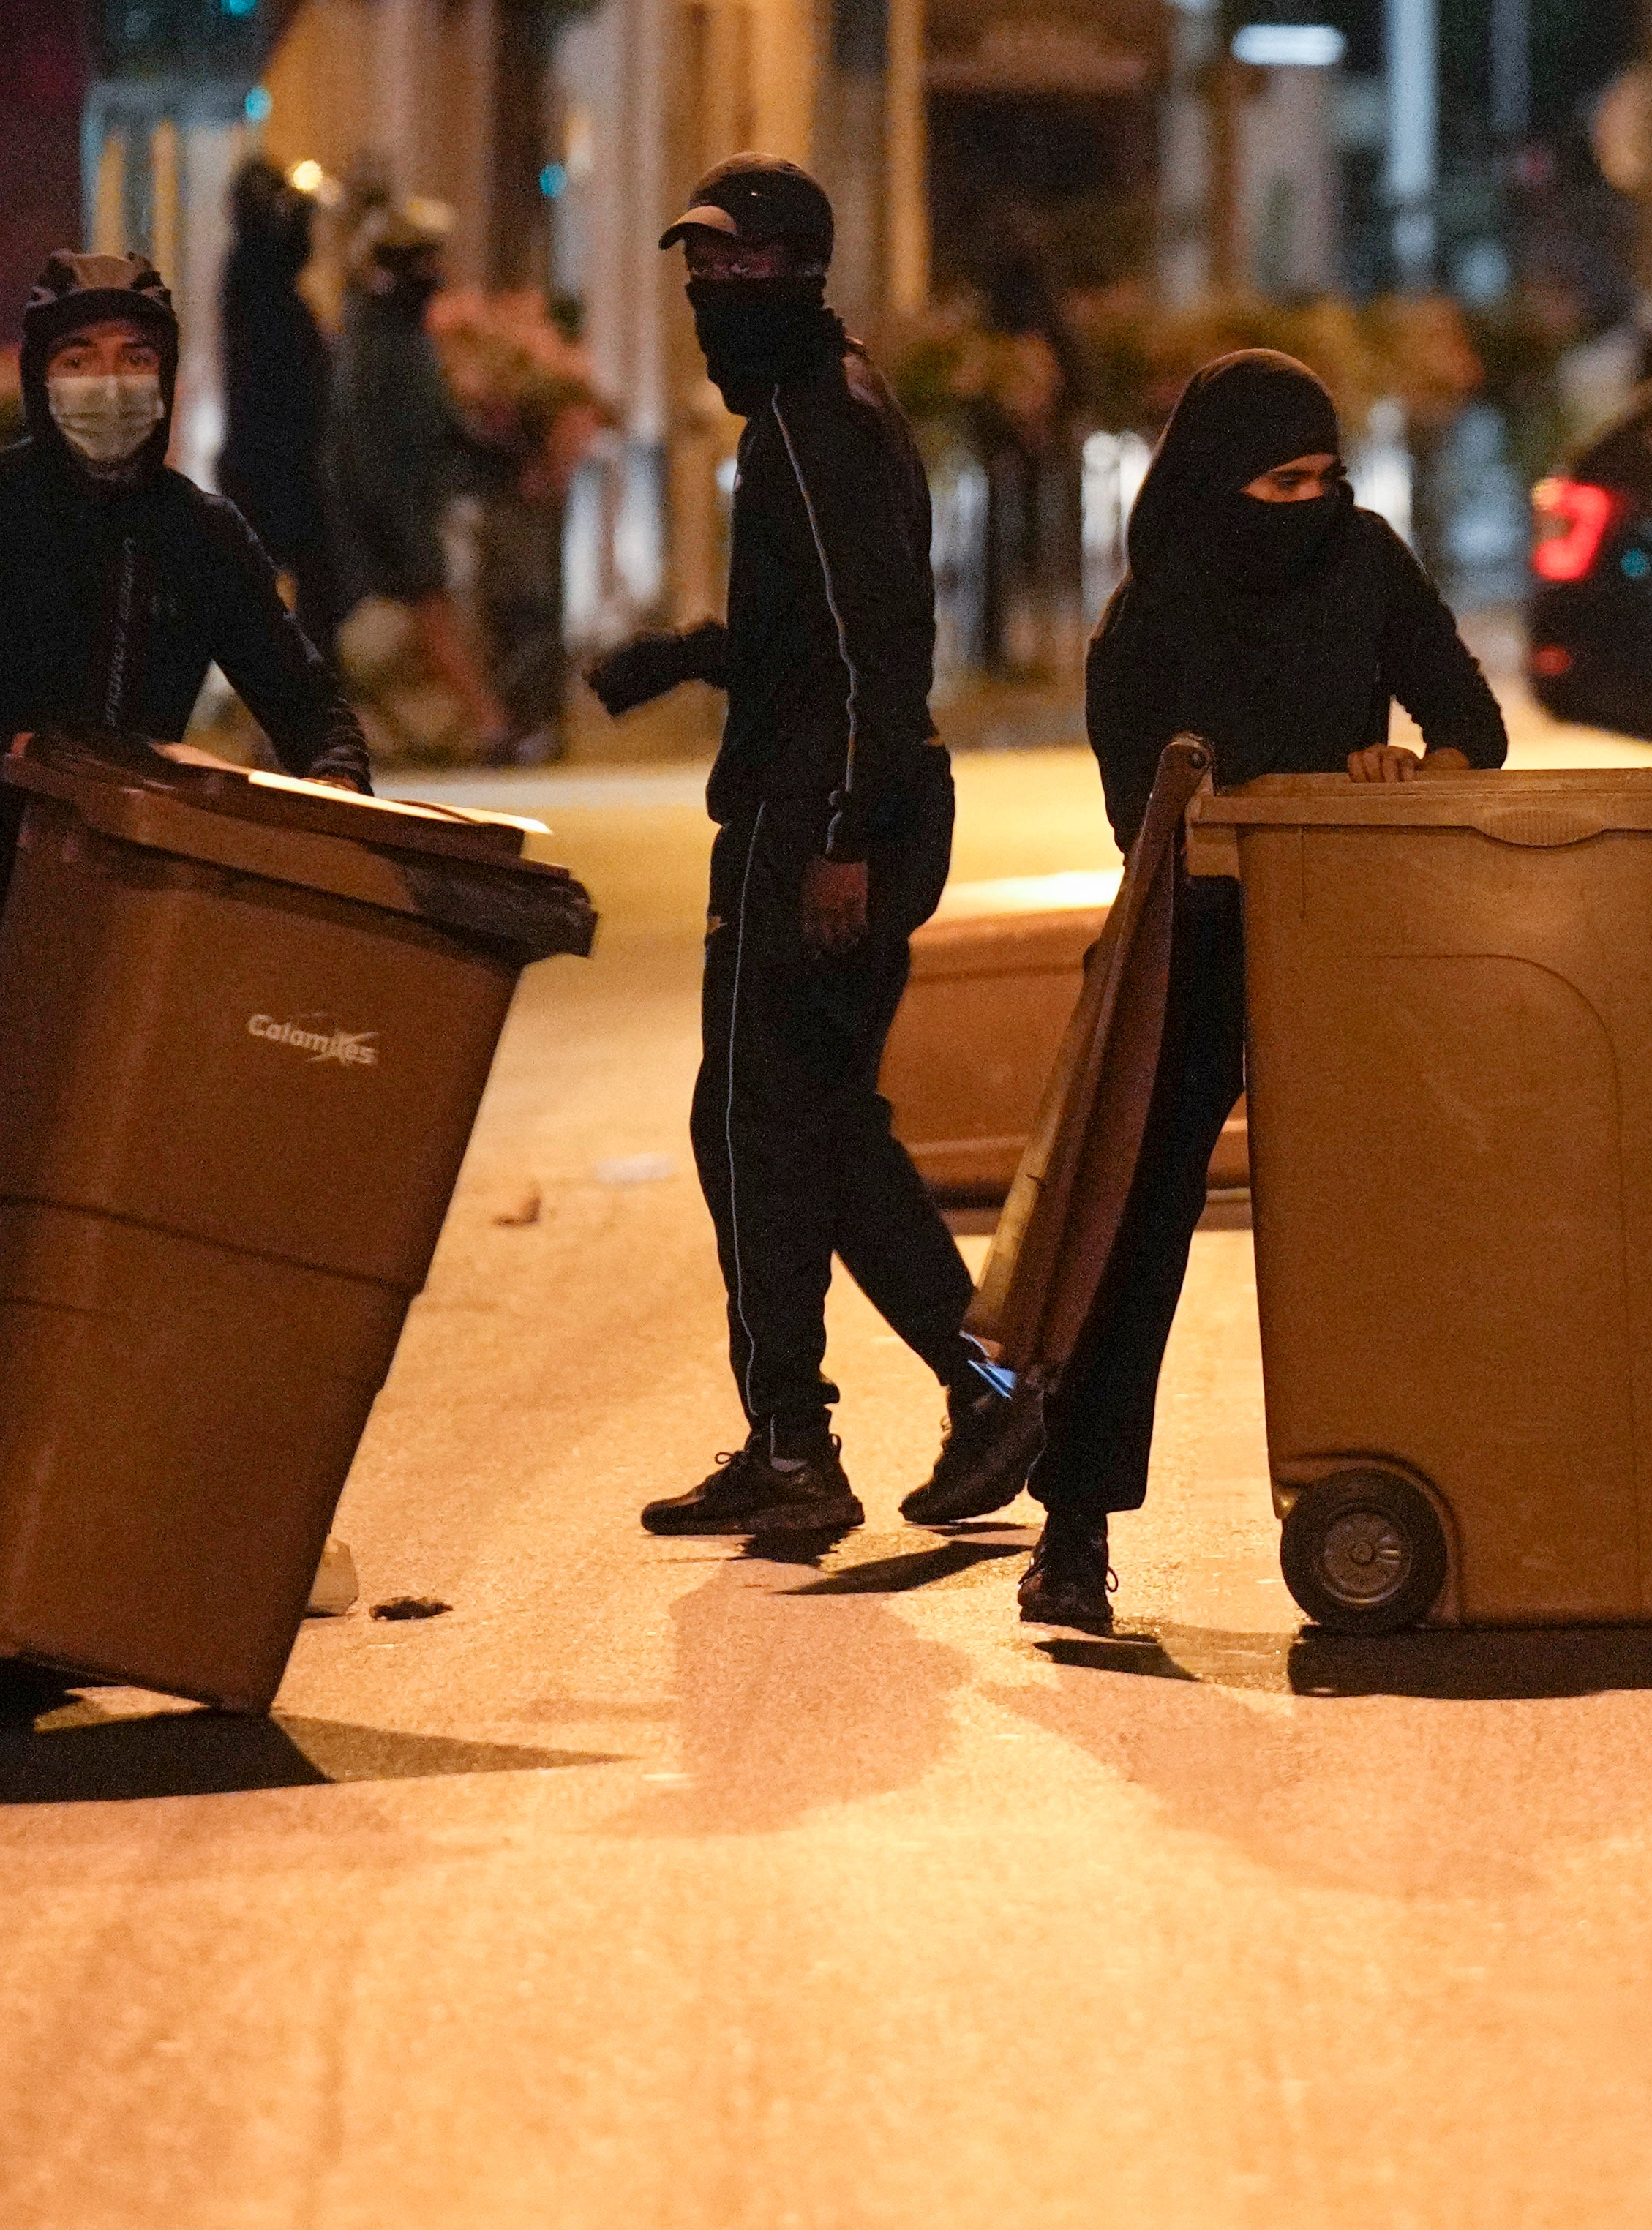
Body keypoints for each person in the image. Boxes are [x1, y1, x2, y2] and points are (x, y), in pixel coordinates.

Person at [579, 155, 1043, 1543]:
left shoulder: (809, 425)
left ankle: (805, 1437)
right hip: (842, 803)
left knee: (754, 1127)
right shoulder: (821, 402)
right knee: (811, 1131)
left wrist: (838, 835)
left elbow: (873, 651)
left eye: (744, 264)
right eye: (701, 267)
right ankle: (971, 1388)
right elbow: (821, 635)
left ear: (803, 269)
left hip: (820, 824)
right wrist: (689, 655)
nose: (717, 290)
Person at [1024, 349, 1507, 1637]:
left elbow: (1472, 725)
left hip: (1349, 945)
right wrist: (1255, 810)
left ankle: (1430, 1483)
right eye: (1282, 482)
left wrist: (1404, 776)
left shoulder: (1364, 561)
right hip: (1196, 941)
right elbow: (1147, 823)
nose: (1312, 504)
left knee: (1375, 1219)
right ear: (1215, 482)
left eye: (1326, 478)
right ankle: (1072, 1529)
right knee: (1137, 1223)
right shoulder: (1149, 620)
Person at [0, 250, 372, 1178]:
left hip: (121, 918)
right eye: (78, 358)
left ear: (167, 377)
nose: (109, 383)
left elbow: (306, 698)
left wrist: (336, 783)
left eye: (135, 357)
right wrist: (11, 759)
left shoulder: (198, 533)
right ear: (37, 375)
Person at [330, 197, 508, 751]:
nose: (436, 274)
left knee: (417, 622)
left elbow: (438, 421)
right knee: (426, 618)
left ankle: (480, 726)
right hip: (384, 510)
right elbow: (367, 437)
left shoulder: (404, 335)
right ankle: (490, 728)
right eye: (424, 261)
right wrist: (384, 514)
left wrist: (491, 455)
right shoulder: (376, 341)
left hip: (404, 505)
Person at [218, 155, 342, 645]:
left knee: (307, 579)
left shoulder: (254, 275)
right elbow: (286, 251)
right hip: (273, 457)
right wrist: (300, 209)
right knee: (294, 578)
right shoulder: (251, 273)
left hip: (278, 453)